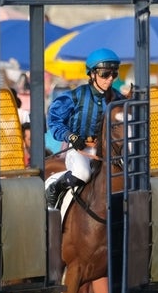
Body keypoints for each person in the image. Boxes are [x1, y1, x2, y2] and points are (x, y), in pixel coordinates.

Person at [45, 47, 124, 208]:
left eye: (113, 74)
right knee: (83, 174)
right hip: (80, 150)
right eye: (104, 74)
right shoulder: (74, 96)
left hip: (110, 152)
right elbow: (54, 121)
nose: (109, 79)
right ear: (92, 73)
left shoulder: (119, 98)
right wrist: (71, 137)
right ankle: (55, 187)